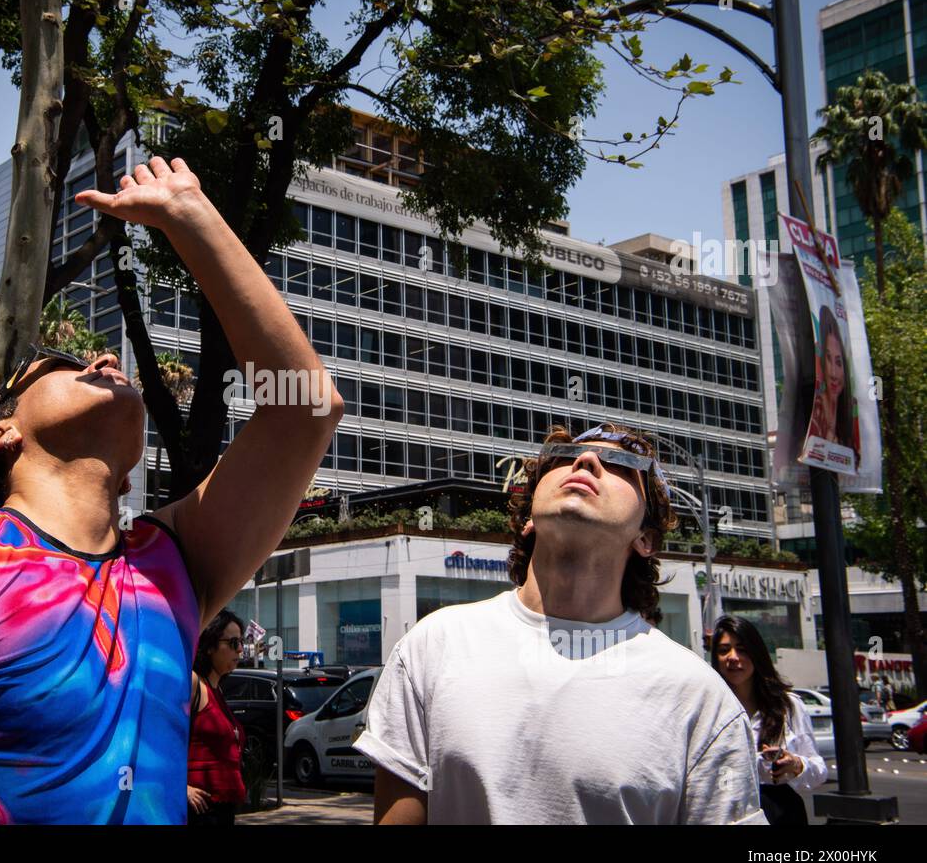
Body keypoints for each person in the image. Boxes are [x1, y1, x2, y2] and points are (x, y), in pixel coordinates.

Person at [0, 156, 342, 824]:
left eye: (102, 357)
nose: (105, 358)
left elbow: (304, 409)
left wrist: (192, 217)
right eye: (62, 363)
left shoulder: (172, 560)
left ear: (127, 471)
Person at [354, 423, 767, 824]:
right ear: (530, 517)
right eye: (565, 457)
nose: (586, 460)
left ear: (646, 539)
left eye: (621, 465)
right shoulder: (432, 646)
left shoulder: (699, 699)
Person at [711, 616, 827, 825]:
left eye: (742, 649)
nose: (733, 657)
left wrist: (795, 764)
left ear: (757, 654)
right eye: (723, 650)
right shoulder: (709, 708)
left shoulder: (787, 706)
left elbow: (819, 772)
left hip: (781, 813)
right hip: (727, 812)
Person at [187, 610, 248, 826]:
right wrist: (182, 788)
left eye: (241, 642)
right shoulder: (193, 683)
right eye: (233, 643)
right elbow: (159, 740)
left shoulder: (217, 690)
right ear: (210, 645)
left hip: (223, 809)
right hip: (200, 810)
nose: (240, 650)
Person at [805, 305, 858, 465]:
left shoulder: (850, 423)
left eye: (838, 362)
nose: (834, 373)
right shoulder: (814, 418)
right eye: (828, 359)